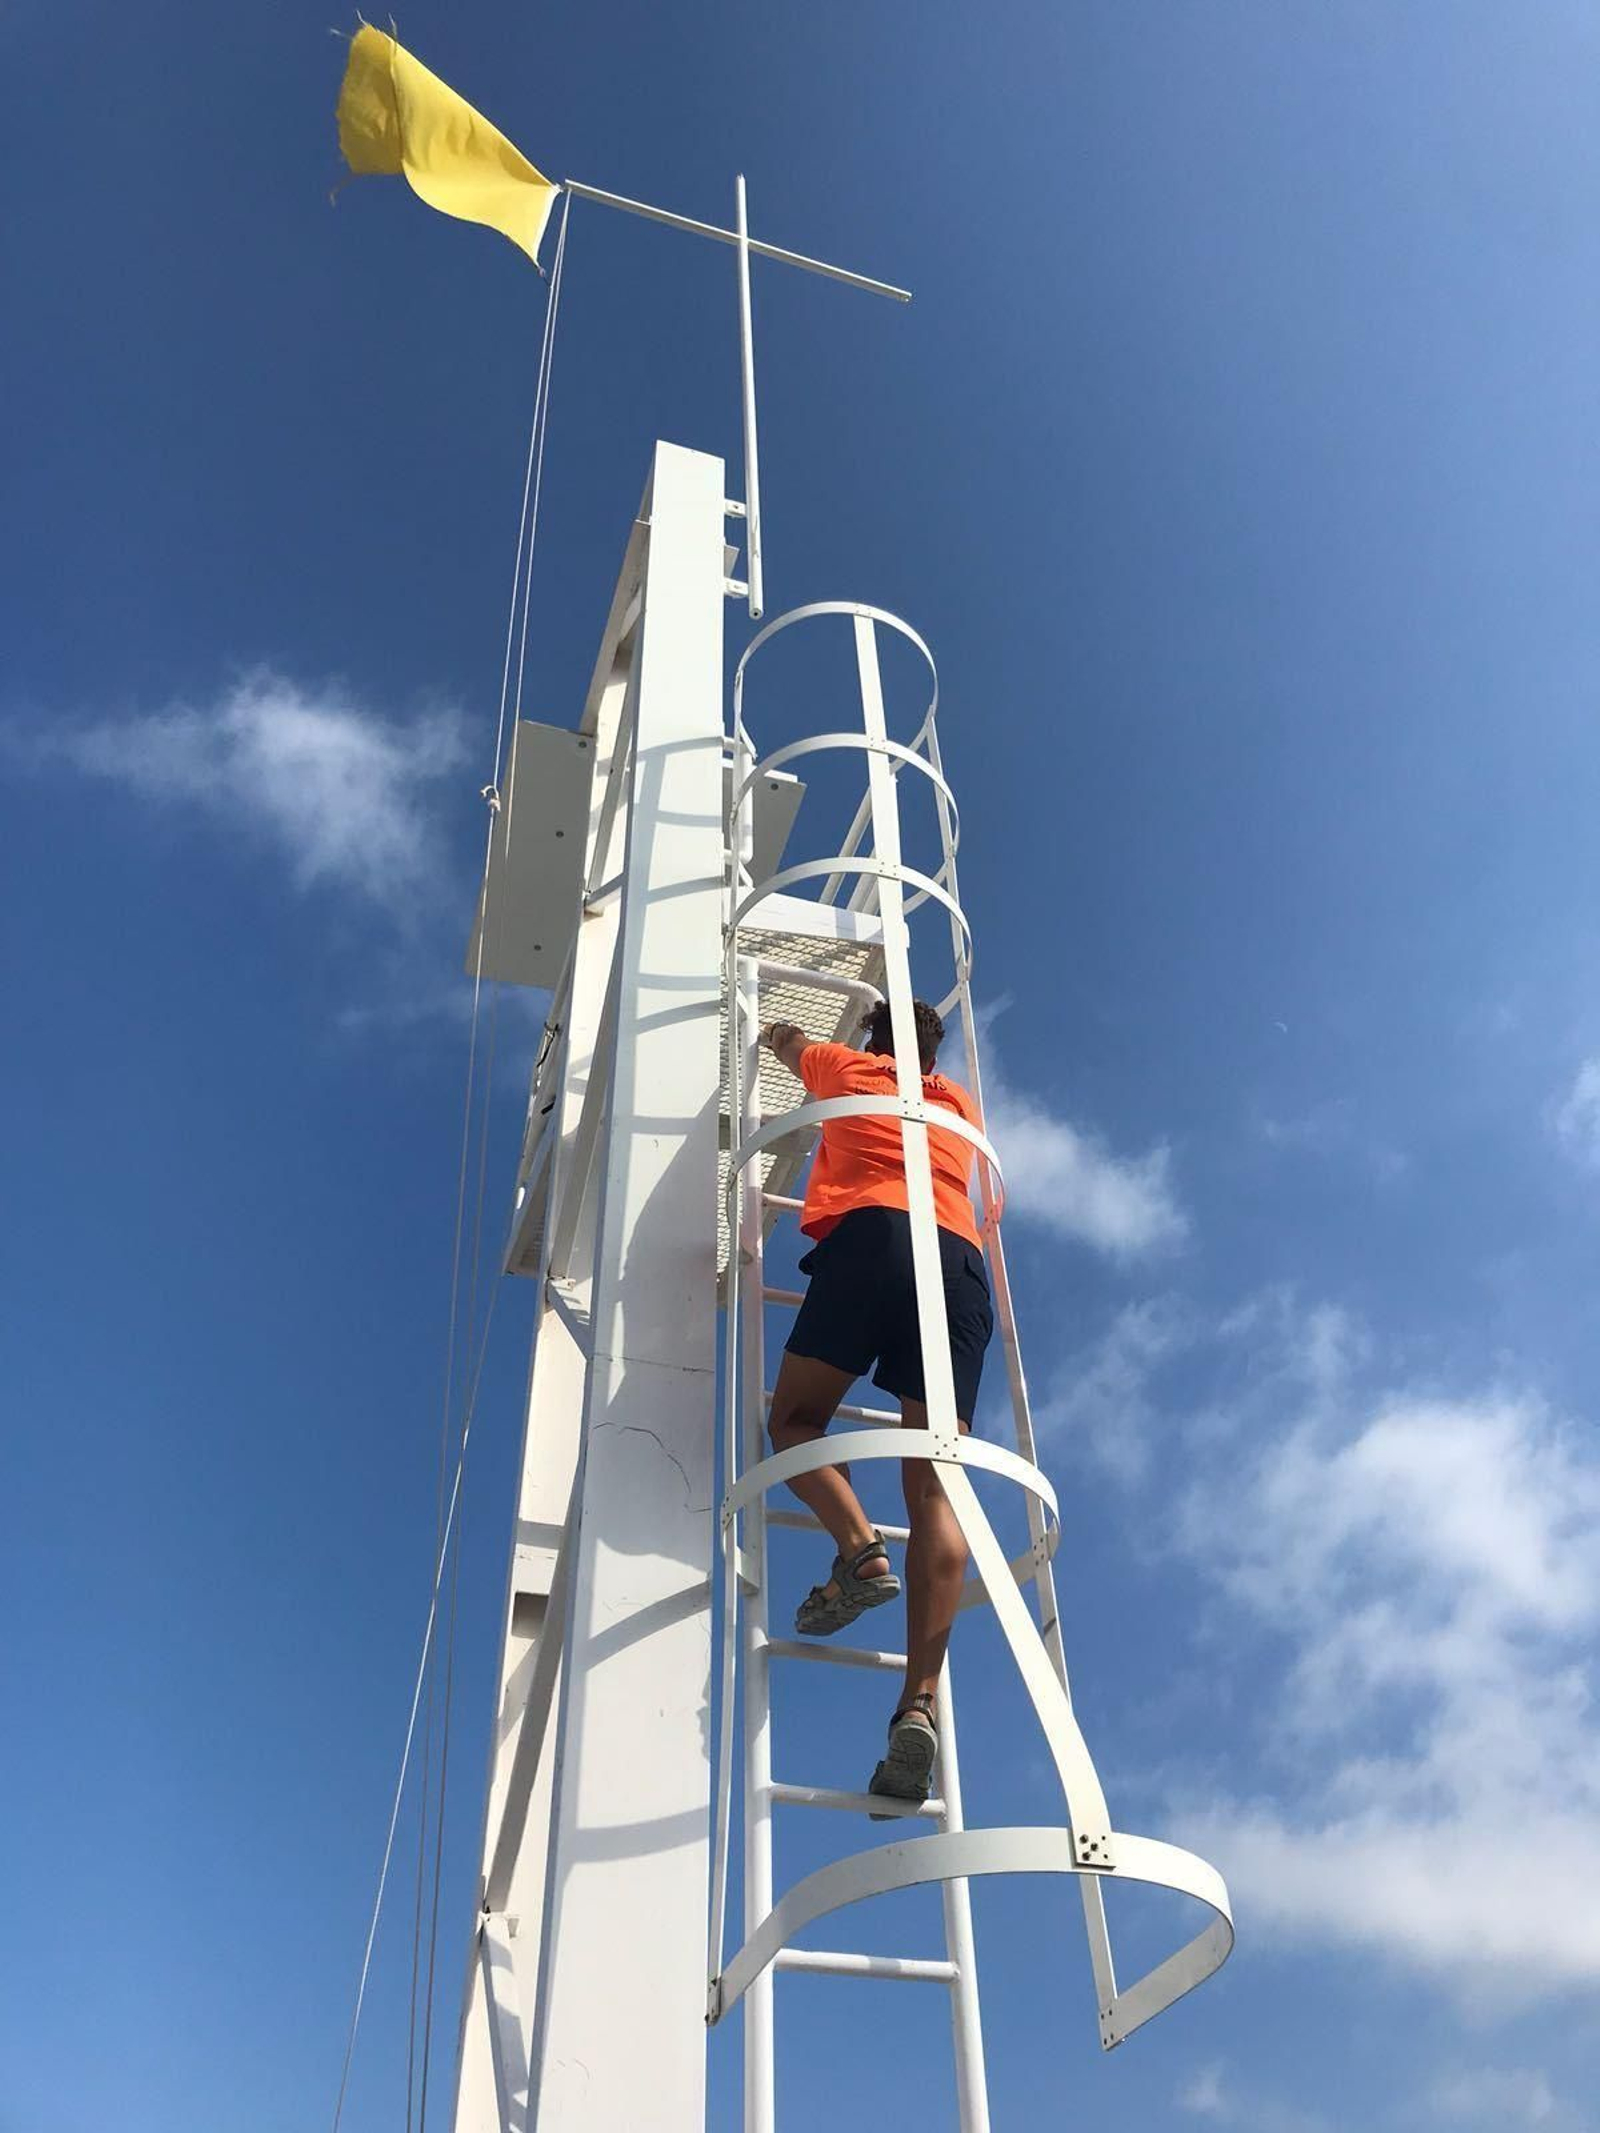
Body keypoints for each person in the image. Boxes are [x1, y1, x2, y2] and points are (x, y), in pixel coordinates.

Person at [759, 997, 994, 1808]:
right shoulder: (958, 1102)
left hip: (874, 1241)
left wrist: (774, 1029)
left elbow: (790, 1045)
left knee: (792, 1423)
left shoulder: (850, 1068)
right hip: (958, 1260)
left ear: (872, 1039)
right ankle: (918, 1700)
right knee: (934, 1480)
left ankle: (859, 1548)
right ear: (935, 1055)